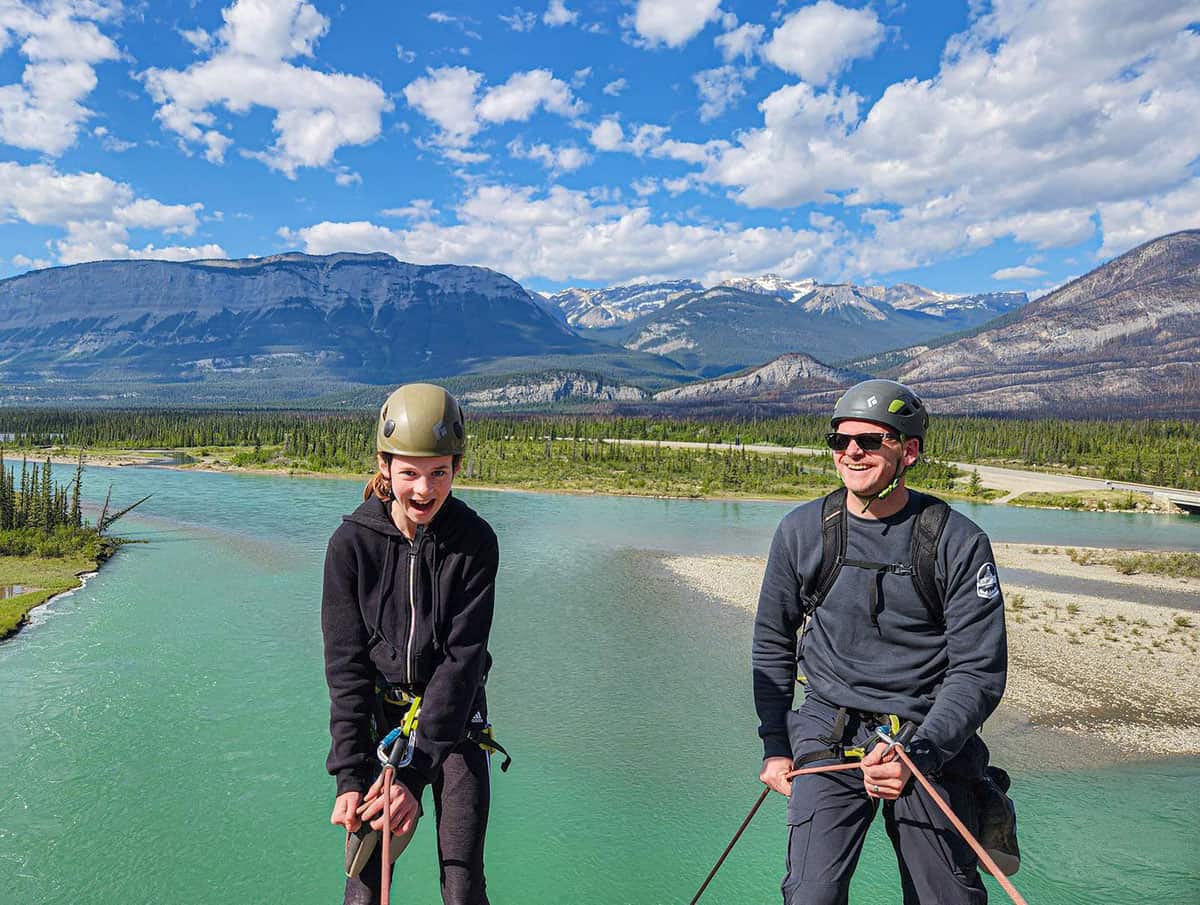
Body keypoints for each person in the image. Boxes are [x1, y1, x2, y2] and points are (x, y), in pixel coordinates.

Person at [752, 379, 1008, 904]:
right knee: (811, 895)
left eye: (870, 441)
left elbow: (978, 670)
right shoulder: (803, 530)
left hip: (924, 731)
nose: (851, 452)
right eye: (840, 441)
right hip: (829, 726)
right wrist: (776, 748)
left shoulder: (957, 542)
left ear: (909, 451)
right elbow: (773, 641)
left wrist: (920, 750)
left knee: (946, 899)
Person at [322, 383, 501, 905]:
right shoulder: (352, 545)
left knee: (462, 878)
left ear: (457, 467)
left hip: (456, 724)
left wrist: (415, 772)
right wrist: (351, 778)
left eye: (438, 472)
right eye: (409, 473)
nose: (424, 489)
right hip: (382, 725)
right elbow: (347, 669)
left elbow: (461, 663)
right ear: (383, 465)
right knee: (364, 882)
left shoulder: (474, 543)